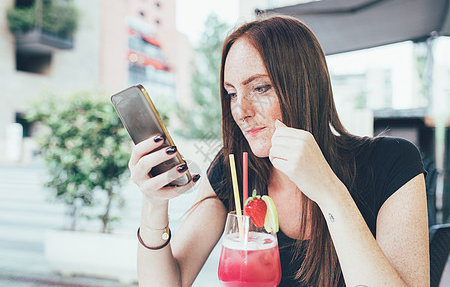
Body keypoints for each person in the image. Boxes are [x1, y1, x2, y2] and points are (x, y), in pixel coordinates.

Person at [129, 14, 429, 286]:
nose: (240, 111)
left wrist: (328, 191)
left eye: (259, 88)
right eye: (232, 93)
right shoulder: (234, 168)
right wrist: (154, 204)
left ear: (305, 87)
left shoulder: (392, 162)